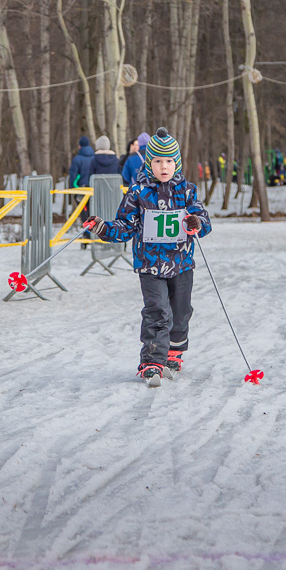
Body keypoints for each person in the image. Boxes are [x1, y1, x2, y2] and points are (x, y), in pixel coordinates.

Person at [84, 127, 212, 384]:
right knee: (157, 311)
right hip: (150, 265)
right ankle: (152, 361)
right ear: (148, 162)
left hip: (181, 263)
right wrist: (102, 227)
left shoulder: (186, 191)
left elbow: (204, 221)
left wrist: (196, 222)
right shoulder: (138, 192)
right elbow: (125, 226)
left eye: (168, 161)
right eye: (157, 161)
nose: (163, 167)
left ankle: (175, 351)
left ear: (176, 163)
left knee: (181, 311)